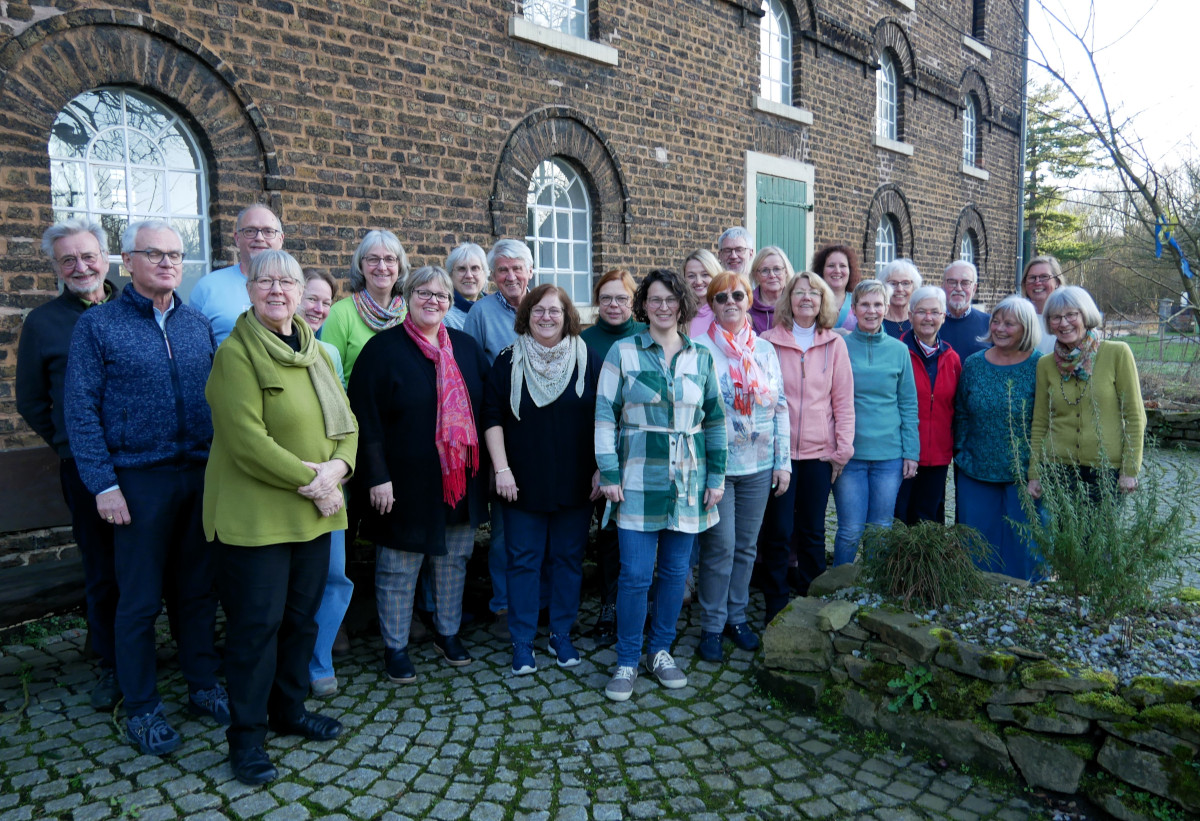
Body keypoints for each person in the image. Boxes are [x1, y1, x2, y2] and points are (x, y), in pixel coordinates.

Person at [64, 220, 226, 755]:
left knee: (196, 591)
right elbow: (79, 411)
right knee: (137, 600)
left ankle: (203, 686)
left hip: (198, 475)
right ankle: (142, 707)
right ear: (126, 262)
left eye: (176, 254)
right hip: (136, 480)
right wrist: (103, 484)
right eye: (153, 253)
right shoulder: (99, 326)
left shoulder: (197, 324)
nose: (166, 262)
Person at [204, 250, 357, 785]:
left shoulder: (316, 352)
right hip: (256, 520)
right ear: (247, 288)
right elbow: (246, 442)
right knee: (255, 628)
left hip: (314, 515)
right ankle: (246, 739)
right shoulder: (236, 354)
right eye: (265, 280)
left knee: (300, 621)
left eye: (287, 282)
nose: (277, 290)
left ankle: (288, 712)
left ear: (300, 292)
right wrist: (316, 483)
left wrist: (336, 468)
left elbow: (348, 426)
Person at [348, 266, 489, 684]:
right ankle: (395, 647)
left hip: (458, 481)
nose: (433, 301)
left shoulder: (465, 347)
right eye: (423, 293)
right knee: (398, 566)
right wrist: (376, 476)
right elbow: (365, 419)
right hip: (401, 485)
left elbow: (485, 410)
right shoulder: (382, 349)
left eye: (441, 295)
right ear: (407, 296)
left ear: (450, 303)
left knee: (454, 561)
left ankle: (447, 633)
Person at [595, 268, 726, 702]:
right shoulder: (623, 352)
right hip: (637, 478)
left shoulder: (700, 356)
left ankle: (660, 651)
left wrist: (717, 477)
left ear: (683, 304)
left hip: (688, 481)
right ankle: (628, 659)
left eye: (671, 299)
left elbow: (716, 422)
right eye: (655, 299)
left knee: (673, 574)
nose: (664, 306)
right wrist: (609, 473)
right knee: (634, 574)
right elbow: (603, 417)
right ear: (643, 305)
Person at [17, 219, 120, 710]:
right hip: (85, 471)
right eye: (68, 260)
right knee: (102, 570)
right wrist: (67, 445)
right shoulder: (43, 323)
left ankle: (174, 654)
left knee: (159, 563)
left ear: (106, 256)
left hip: (148, 464)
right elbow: (32, 402)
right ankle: (112, 665)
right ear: (56, 268)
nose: (81, 267)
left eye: (88, 256)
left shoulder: (133, 307)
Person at [484, 284, 602, 675]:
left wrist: (603, 468)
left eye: (555, 310)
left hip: (576, 480)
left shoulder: (589, 360)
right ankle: (522, 641)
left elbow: (606, 418)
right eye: (539, 310)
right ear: (526, 315)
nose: (547, 317)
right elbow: (492, 417)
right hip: (520, 482)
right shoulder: (506, 361)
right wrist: (501, 470)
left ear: (568, 315)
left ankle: (561, 634)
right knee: (523, 562)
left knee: (568, 560)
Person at [692, 272, 788, 662]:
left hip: (760, 464)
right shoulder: (698, 349)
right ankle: (712, 626)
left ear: (748, 300)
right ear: (711, 305)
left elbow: (780, 406)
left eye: (737, 295)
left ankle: (737, 618)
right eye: (720, 297)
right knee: (721, 546)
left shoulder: (764, 351)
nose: (730, 302)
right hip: (718, 467)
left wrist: (783, 464)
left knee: (747, 548)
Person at [760, 272, 854, 619]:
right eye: (799, 293)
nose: (806, 299)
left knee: (813, 530)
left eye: (814, 294)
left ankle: (813, 598)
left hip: (819, 453)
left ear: (822, 302)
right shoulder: (767, 341)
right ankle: (775, 602)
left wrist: (842, 450)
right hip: (778, 455)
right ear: (788, 299)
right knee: (778, 531)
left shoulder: (834, 344)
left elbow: (842, 401)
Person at [463, 239, 534, 638]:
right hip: (500, 431)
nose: (510, 276)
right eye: (502, 270)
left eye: (517, 269)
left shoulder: (544, 302)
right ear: (493, 276)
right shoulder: (481, 312)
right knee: (506, 523)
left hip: (540, 431)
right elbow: (473, 374)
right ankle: (504, 603)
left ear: (530, 271)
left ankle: (536, 597)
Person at [954, 296, 1045, 580]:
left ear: (1026, 328)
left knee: (1025, 548)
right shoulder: (974, 364)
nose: (1000, 328)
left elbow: (1047, 421)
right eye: (995, 321)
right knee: (975, 545)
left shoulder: (1040, 365)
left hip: (1024, 476)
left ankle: (1025, 604)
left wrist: (1038, 469)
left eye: (1009, 323)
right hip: (975, 471)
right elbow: (961, 413)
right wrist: (962, 452)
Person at [1027, 286, 1146, 500]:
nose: (1064, 323)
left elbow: (1135, 416)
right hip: (1057, 469)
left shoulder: (1116, 353)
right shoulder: (1045, 364)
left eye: (1071, 314)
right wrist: (1035, 473)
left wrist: (1129, 469)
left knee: (1100, 533)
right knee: (1061, 533)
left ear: (1085, 315)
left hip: (1105, 469)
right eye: (1056, 317)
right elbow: (1040, 422)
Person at [579, 269, 646, 644]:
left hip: (638, 456)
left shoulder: (647, 338)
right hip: (595, 454)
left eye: (622, 298)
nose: (614, 305)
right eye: (606, 298)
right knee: (606, 536)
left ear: (633, 301)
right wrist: (598, 466)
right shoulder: (583, 342)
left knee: (636, 534)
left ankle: (638, 607)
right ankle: (608, 607)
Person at [832, 280, 919, 566]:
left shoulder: (899, 350)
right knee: (850, 530)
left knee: (880, 530)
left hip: (889, 456)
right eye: (865, 304)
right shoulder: (838, 346)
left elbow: (907, 403)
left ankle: (871, 588)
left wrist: (911, 453)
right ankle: (838, 590)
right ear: (854, 309)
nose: (872, 311)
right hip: (850, 455)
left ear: (887, 308)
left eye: (878, 304)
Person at [298, 268, 353, 697]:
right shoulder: (247, 349)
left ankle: (319, 659)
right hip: (289, 483)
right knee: (290, 580)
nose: (317, 308)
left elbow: (344, 422)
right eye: (310, 299)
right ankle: (288, 661)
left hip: (331, 484)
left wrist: (336, 470)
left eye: (324, 301)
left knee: (334, 577)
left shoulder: (330, 354)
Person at [894, 286, 961, 524]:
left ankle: (925, 563)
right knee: (900, 518)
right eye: (921, 311)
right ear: (910, 315)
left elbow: (956, 407)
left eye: (935, 312)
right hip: (901, 453)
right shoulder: (897, 353)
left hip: (938, 456)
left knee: (929, 520)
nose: (928, 318)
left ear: (944, 317)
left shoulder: (952, 359)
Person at [190, 205, 284, 345]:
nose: (259, 238)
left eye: (268, 231)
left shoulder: (295, 287)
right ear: (237, 238)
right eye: (250, 231)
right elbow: (193, 348)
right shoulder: (208, 287)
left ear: (281, 239)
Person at [321, 230, 409, 381]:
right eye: (373, 259)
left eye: (389, 259)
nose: (382, 267)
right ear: (360, 265)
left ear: (399, 266)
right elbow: (328, 377)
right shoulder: (340, 314)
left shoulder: (411, 314)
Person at [940, 260, 991, 360]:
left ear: (974, 288)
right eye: (952, 282)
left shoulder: (990, 324)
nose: (958, 288)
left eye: (965, 283)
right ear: (943, 286)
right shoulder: (930, 324)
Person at [810, 243, 862, 330]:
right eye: (831, 266)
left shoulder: (859, 301)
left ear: (850, 271)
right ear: (821, 270)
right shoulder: (812, 301)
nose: (837, 271)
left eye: (842, 266)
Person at [1022, 255, 1064, 354]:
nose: (1037, 282)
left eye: (1044, 277)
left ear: (1057, 282)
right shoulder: (1017, 317)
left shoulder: (1070, 319)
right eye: (1032, 278)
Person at [747, 246, 794, 334]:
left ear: (786, 272)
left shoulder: (795, 304)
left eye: (777, 269)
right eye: (765, 270)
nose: (772, 275)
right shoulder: (746, 304)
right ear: (756, 275)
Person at [444, 242, 488, 330]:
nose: (469, 275)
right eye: (461, 269)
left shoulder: (495, 308)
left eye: (475, 268)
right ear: (450, 275)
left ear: (485, 273)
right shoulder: (444, 316)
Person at [684, 249, 722, 338]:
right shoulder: (678, 314)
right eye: (691, 276)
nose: (698, 282)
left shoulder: (726, 310)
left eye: (705, 274)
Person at [881, 258, 922, 339]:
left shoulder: (920, 320)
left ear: (914, 287)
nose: (899, 289)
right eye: (893, 283)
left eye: (905, 283)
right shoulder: (877, 321)